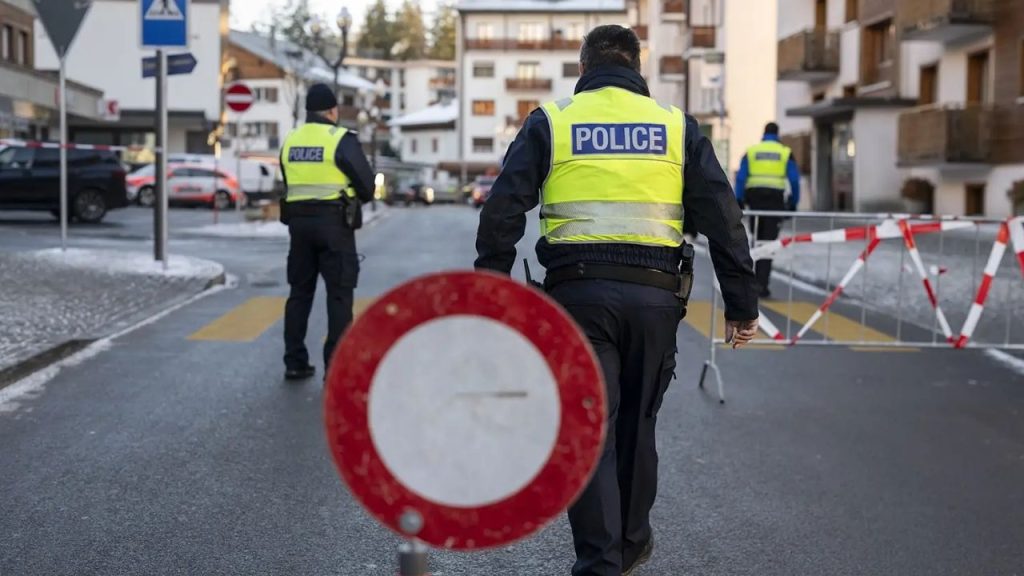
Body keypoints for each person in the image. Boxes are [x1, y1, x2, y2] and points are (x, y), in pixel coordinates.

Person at [474, 25, 760, 576]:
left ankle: (602, 562)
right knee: (637, 425)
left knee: (590, 428)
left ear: (584, 69)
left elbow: (503, 208)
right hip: (656, 300)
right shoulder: (676, 128)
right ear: (637, 69)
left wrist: (492, 283)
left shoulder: (552, 121)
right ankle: (628, 548)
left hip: (578, 299)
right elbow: (723, 218)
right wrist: (742, 303)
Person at [280, 83, 375, 380]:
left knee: (299, 293)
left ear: (308, 111)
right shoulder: (340, 139)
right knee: (339, 295)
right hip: (334, 225)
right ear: (332, 111)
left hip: (298, 226)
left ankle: (295, 361)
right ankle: (334, 367)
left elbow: (287, 179)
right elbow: (367, 185)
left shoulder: (291, 139)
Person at [735, 122, 801, 298]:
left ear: (763, 134)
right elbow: (794, 181)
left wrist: (738, 200)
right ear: (777, 134)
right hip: (774, 203)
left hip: (754, 201)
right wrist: (793, 203)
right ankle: (761, 285)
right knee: (769, 243)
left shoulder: (751, 151)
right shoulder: (785, 153)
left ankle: (750, 283)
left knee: (756, 240)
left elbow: (741, 178)